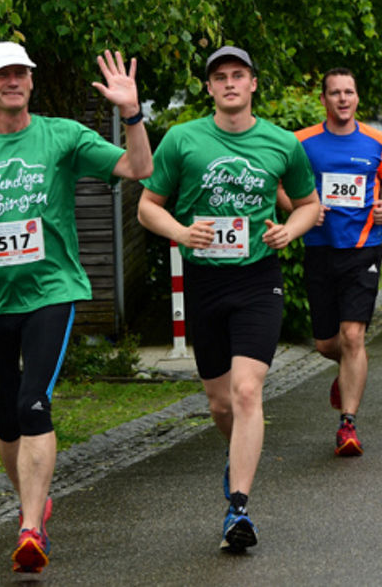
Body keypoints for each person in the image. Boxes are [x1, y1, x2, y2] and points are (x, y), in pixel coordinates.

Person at [0, 43, 152, 573]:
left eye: (20, 73)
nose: (12, 81)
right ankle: (35, 502)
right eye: (1, 74)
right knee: (5, 417)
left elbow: (138, 167)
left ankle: (29, 527)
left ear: (31, 82)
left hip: (51, 290)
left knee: (32, 403)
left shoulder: (61, 135)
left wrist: (130, 112)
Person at [138, 46, 320, 552]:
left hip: (258, 280)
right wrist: (179, 231)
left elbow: (309, 204)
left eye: (239, 75)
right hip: (205, 283)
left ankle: (238, 509)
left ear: (253, 84)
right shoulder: (183, 139)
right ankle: (238, 453)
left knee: (246, 392)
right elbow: (147, 207)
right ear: (211, 88)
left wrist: (289, 230)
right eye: (220, 77)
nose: (230, 83)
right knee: (221, 403)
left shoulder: (282, 143)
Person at [292, 69, 382, 456]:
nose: (342, 99)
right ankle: (347, 370)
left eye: (348, 92)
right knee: (325, 343)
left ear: (357, 98)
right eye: (334, 93)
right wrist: (300, 210)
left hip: (363, 246)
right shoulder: (301, 142)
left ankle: (348, 425)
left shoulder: (377, 140)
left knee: (353, 336)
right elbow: (282, 186)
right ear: (323, 99)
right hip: (319, 246)